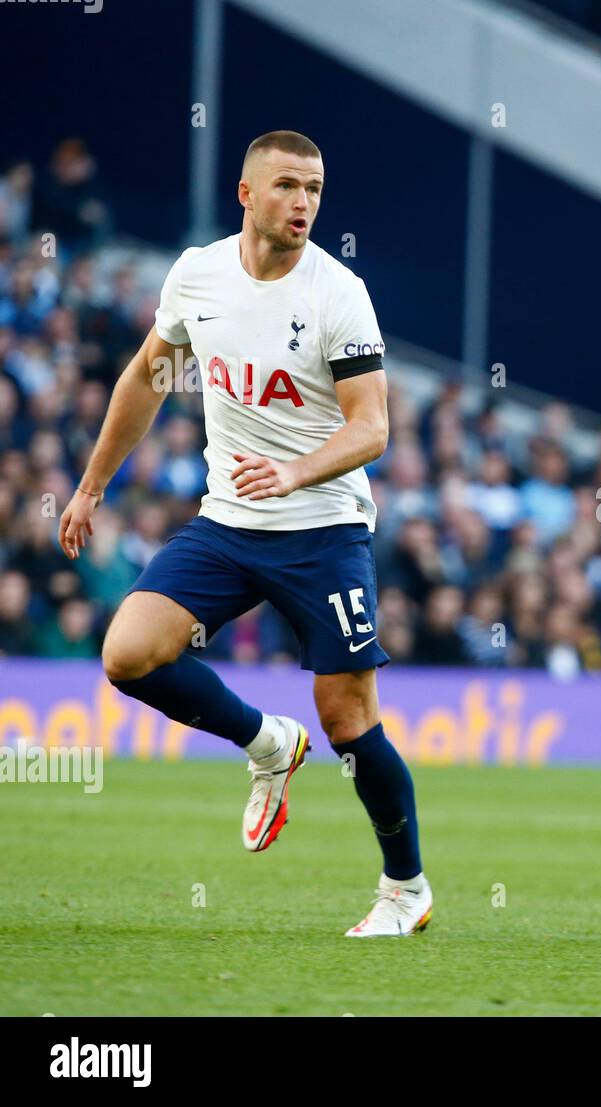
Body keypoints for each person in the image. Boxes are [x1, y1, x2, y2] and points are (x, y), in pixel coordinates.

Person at [58, 130, 431, 937]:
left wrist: (297, 473)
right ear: (247, 193)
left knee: (349, 721)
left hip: (323, 529)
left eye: (316, 190)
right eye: (289, 186)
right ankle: (265, 741)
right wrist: (90, 486)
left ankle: (406, 887)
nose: (304, 203)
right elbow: (146, 379)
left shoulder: (338, 294)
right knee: (128, 654)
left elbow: (373, 429)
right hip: (227, 522)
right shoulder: (197, 274)